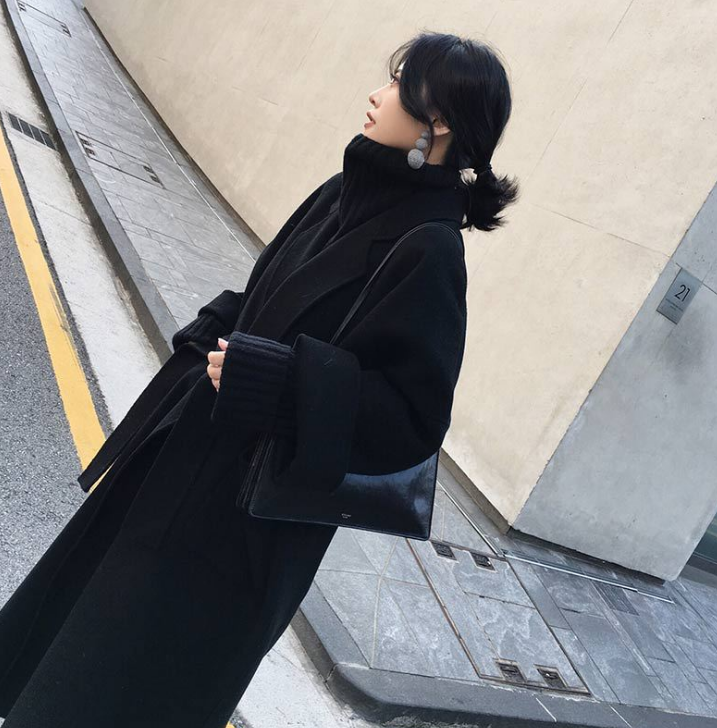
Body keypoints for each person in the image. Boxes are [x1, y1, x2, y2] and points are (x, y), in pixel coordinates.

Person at [0, 30, 518, 728]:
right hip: (184, 461)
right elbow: (270, 294)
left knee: (133, 676)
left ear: (441, 119)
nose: (377, 93)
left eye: (400, 84)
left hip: (244, 524)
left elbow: (412, 418)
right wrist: (219, 328)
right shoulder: (345, 191)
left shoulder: (429, 248)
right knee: (80, 636)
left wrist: (279, 383)